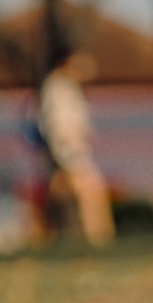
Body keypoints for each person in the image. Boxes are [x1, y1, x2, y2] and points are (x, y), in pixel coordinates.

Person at [38, 51, 114, 245]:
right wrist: (72, 144)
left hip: (70, 147)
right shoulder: (59, 88)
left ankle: (48, 230)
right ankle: (99, 235)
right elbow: (59, 123)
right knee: (92, 189)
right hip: (71, 148)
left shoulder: (63, 87)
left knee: (59, 190)